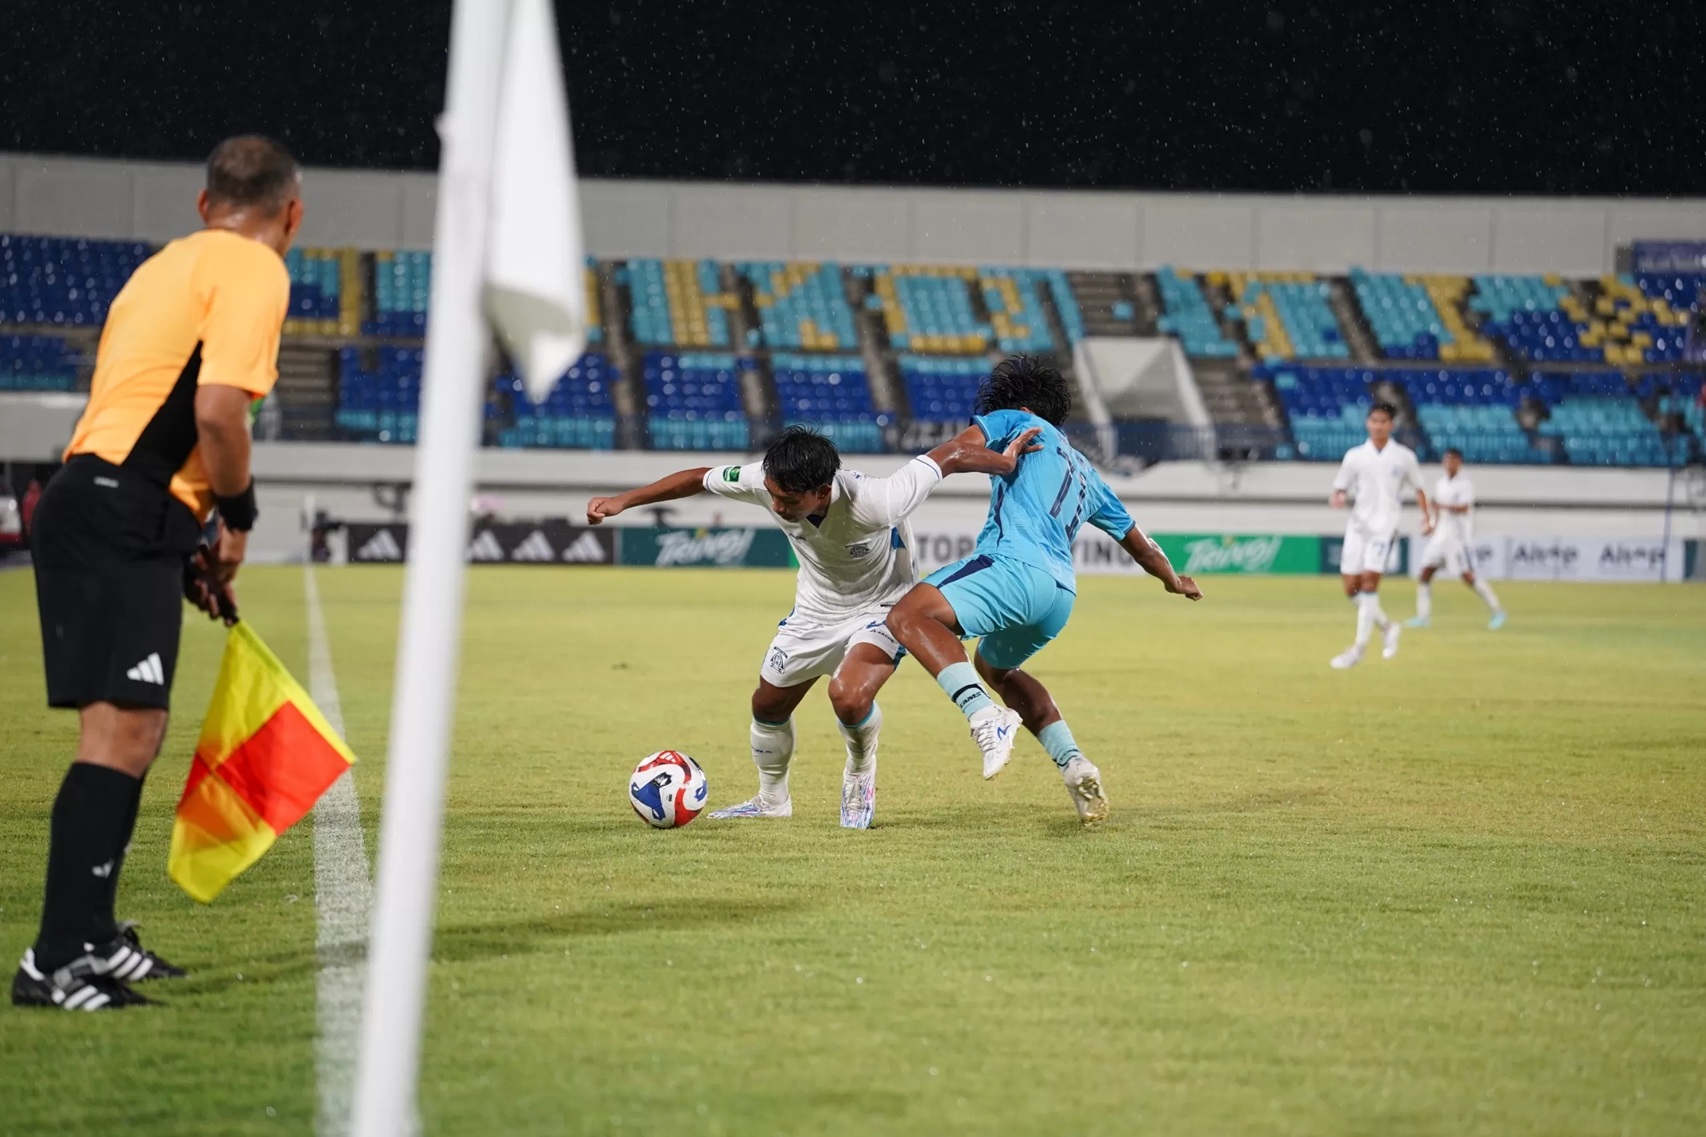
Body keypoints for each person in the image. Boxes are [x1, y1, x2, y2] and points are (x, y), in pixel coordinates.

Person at [15, 136, 300, 1012]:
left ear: (204, 204)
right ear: (290, 214)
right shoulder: (257, 267)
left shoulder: (159, 269)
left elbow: (147, 409)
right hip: (123, 508)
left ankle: (92, 935)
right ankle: (56, 960)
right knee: (119, 736)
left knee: (129, 729)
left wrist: (183, 538)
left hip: (93, 496)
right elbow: (216, 413)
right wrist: (237, 519)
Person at [586, 423, 1040, 830]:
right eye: (772, 494)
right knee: (767, 705)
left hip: (882, 607)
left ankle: (859, 773)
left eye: (788, 501)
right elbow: (698, 477)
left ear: (822, 492)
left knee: (848, 696)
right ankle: (771, 801)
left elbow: (950, 455)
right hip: (814, 610)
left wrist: (1003, 463)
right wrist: (623, 501)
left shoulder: (879, 499)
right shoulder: (765, 480)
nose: (776, 505)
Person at [885, 355, 1202, 826]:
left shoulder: (1016, 421)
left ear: (1019, 405)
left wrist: (996, 459)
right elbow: (1141, 544)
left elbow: (954, 452)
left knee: (907, 616)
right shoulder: (1086, 471)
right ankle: (1074, 763)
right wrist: (1173, 580)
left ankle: (983, 715)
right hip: (1058, 596)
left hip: (1015, 568)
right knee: (996, 667)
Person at [1328, 403, 1430, 670]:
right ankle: (1387, 626)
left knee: (1369, 583)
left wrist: (1427, 517)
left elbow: (1420, 488)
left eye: (1383, 421)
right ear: (1367, 423)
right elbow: (1339, 488)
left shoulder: (1404, 457)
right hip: (1358, 526)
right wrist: (1337, 498)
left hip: (1385, 527)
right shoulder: (1354, 456)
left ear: (1391, 425)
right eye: (1374, 421)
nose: (1378, 426)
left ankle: (1358, 648)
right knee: (1351, 588)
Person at [1407, 448, 1506, 630]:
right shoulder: (1441, 483)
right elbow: (1437, 510)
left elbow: (1464, 508)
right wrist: (1431, 525)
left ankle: (1497, 611)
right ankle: (1423, 617)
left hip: (1458, 539)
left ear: (1460, 462)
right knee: (1424, 574)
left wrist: (1442, 506)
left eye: (1453, 460)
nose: (1449, 463)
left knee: (1468, 577)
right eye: (1447, 460)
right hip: (1440, 537)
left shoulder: (1465, 485)